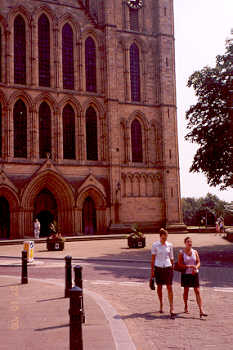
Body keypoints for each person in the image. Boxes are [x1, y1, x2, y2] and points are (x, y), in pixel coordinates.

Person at [178, 237, 208, 319]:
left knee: (197, 291)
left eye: (191, 241)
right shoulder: (181, 252)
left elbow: (198, 262)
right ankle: (185, 305)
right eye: (188, 242)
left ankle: (201, 310)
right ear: (185, 243)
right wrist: (188, 266)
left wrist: (196, 267)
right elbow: (179, 264)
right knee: (186, 291)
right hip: (186, 274)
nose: (190, 243)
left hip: (194, 274)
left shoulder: (195, 252)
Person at [150, 228, 175, 319]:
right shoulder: (155, 245)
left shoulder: (170, 245)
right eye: (163, 238)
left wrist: (172, 267)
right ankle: (161, 304)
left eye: (166, 238)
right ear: (160, 237)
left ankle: (171, 307)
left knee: (169, 287)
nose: (165, 240)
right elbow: (152, 260)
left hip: (168, 267)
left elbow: (171, 257)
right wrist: (152, 272)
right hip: (158, 267)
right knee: (159, 287)